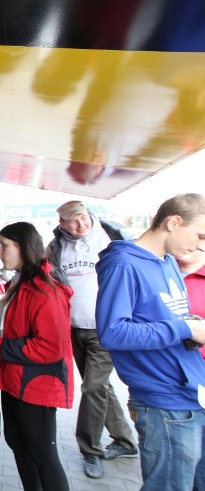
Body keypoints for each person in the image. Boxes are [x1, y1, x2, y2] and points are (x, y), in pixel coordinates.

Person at [96, 193, 205, 490]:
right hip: (164, 401)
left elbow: (168, 319)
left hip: (192, 392)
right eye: (199, 235)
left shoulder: (169, 261)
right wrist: (185, 329)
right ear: (173, 222)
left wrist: (191, 325)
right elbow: (113, 332)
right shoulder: (122, 263)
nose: (199, 246)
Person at [45, 201, 137, 479]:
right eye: (72, 221)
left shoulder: (114, 236)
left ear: (91, 215)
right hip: (74, 328)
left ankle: (90, 450)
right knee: (100, 388)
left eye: (83, 218)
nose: (80, 225)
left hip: (106, 327)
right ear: (62, 223)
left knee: (92, 388)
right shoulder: (56, 247)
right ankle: (124, 440)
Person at [0, 221, 74, 491]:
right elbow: (21, 327)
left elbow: (49, 346)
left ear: (23, 247)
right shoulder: (21, 283)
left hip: (35, 386)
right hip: (14, 382)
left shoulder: (45, 291)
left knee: (42, 455)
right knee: (20, 447)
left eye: (5, 245)